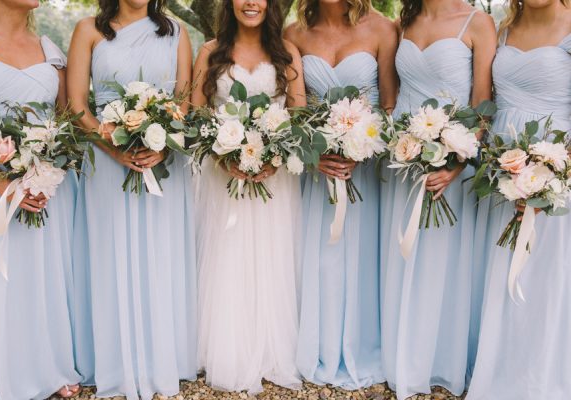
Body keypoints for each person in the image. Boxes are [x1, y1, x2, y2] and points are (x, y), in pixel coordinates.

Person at [66, 0, 196, 397]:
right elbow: (76, 106)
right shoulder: (88, 29)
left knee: (159, 252)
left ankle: (161, 358)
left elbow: (184, 101)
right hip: (106, 163)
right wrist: (114, 146)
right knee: (109, 253)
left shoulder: (175, 32)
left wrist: (162, 144)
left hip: (161, 163)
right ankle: (114, 359)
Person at [378, 1, 496, 398]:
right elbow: (392, 96)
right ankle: (400, 353)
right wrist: (400, 143)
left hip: (452, 164)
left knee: (442, 261)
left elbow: (482, 105)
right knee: (403, 255)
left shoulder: (478, 23)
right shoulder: (402, 21)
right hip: (404, 159)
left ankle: (439, 361)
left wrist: (458, 163)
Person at [191, 0, 306, 393]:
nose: (251, 2)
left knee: (271, 257)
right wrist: (225, 158)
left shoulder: (286, 53)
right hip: (223, 177)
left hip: (275, 180)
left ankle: (271, 349)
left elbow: (299, 112)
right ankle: (227, 350)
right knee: (228, 257)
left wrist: (277, 154)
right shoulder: (210, 51)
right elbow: (196, 114)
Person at [284, 0, 398, 389]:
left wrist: (362, 148)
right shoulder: (293, 34)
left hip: (365, 169)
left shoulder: (382, 29)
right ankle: (318, 342)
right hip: (317, 171)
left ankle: (361, 344)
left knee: (361, 254)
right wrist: (313, 156)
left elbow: (389, 104)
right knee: (320, 257)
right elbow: (294, 110)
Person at [0, 0, 81, 398]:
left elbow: (66, 119)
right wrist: (3, 185)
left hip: (40, 185)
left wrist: (42, 172)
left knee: (37, 274)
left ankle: (42, 365)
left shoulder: (50, 49)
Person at [467, 1, 571, 398]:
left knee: (543, 271)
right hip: (500, 167)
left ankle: (538, 376)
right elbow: (486, 99)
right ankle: (496, 366)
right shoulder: (501, 25)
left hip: (555, 164)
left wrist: (550, 173)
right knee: (499, 264)